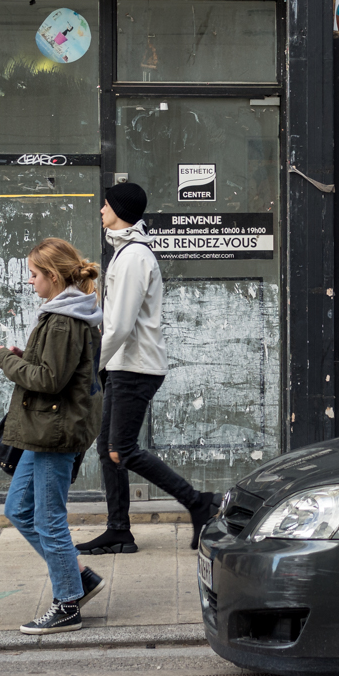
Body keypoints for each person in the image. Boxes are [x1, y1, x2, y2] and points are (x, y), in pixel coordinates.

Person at [75, 183, 218, 556]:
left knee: (121, 449)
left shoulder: (135, 256)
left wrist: (89, 368)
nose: (101, 210)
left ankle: (199, 502)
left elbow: (120, 325)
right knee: (108, 451)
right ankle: (119, 531)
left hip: (135, 367)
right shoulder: (124, 253)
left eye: (105, 204)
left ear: (120, 209)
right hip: (124, 364)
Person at [0, 238, 105, 635]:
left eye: (34, 275)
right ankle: (80, 577)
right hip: (44, 429)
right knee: (18, 510)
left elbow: (50, 380)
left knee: (48, 519)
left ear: (53, 277)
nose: (31, 281)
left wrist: (5, 360)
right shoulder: (62, 313)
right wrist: (19, 356)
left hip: (56, 430)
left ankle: (67, 604)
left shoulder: (65, 320)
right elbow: (52, 368)